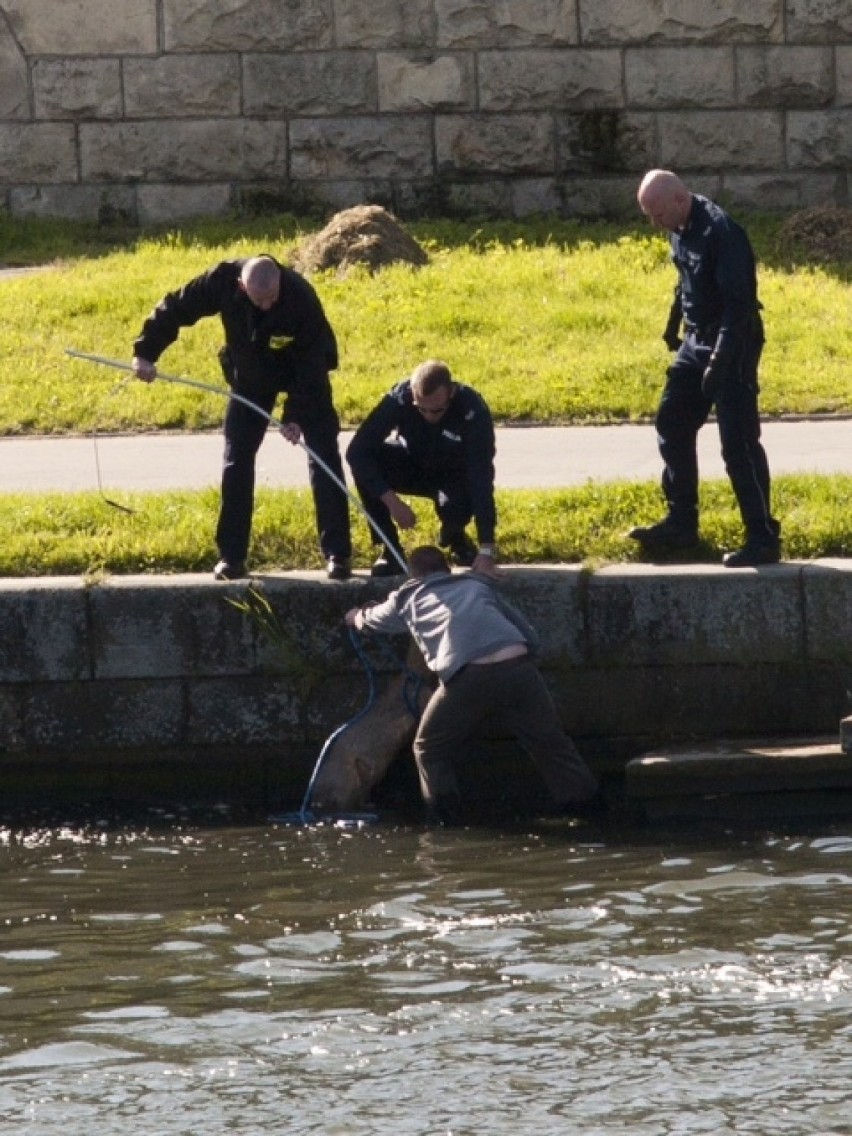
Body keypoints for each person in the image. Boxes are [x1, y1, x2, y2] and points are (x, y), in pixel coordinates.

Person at [132, 254, 352, 581]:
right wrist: (145, 352)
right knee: (237, 458)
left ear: (279, 281)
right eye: (258, 300)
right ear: (240, 286)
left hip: (306, 377)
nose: (265, 306)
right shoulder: (221, 280)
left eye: (272, 299)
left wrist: (294, 416)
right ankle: (232, 556)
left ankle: (338, 553)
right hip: (251, 378)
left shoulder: (300, 298)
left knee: (323, 455)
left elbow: (313, 364)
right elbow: (177, 307)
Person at [344, 545, 600, 825]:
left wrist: (356, 616)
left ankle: (447, 821)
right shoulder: (477, 585)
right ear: (448, 570)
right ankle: (588, 810)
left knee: (429, 749)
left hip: (467, 676)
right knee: (551, 744)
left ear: (413, 576)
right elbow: (530, 635)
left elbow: (371, 620)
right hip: (518, 666)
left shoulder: (406, 595)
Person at [629, 169, 781, 567]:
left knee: (738, 443)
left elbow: (739, 306)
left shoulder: (723, 233)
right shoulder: (678, 224)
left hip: (734, 340)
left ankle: (763, 537)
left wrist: (720, 360)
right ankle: (682, 523)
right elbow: (685, 279)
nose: (654, 223)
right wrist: (672, 324)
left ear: (679, 200)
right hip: (696, 339)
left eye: (657, 214)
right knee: (672, 421)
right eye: (650, 215)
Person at [346, 359, 499, 579]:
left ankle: (456, 537)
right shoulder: (401, 397)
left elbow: (481, 476)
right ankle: (389, 549)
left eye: (436, 410)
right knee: (367, 466)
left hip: (453, 473)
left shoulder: (472, 410)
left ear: (451, 393)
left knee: (457, 505)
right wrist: (392, 502)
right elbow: (357, 451)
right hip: (412, 464)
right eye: (421, 409)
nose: (428, 416)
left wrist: (487, 549)